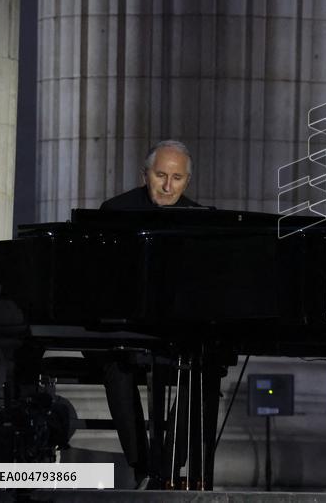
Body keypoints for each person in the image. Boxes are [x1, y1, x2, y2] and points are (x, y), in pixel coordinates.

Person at [97, 140, 200, 487]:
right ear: (145, 175)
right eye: (161, 176)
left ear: (187, 181)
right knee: (117, 367)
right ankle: (141, 467)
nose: (169, 187)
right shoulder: (114, 211)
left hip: (175, 329)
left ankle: (169, 467)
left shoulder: (199, 219)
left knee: (201, 374)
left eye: (177, 178)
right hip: (123, 326)